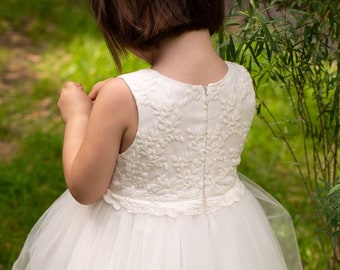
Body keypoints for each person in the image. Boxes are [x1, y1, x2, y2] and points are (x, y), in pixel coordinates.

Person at [13, 0, 303, 269]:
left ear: (131, 17)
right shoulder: (242, 80)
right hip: (228, 236)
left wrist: (78, 116)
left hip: (134, 242)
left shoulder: (121, 96)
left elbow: (84, 189)